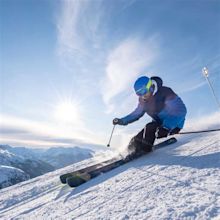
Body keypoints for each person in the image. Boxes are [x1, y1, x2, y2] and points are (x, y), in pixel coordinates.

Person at [113, 76, 187, 157]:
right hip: (158, 124)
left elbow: (181, 110)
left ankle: (145, 149)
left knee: (149, 127)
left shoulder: (165, 92)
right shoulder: (143, 101)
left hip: (174, 123)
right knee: (136, 139)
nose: (142, 95)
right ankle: (127, 153)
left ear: (150, 87)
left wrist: (167, 127)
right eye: (139, 93)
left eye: (143, 91)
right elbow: (136, 114)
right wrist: (122, 121)